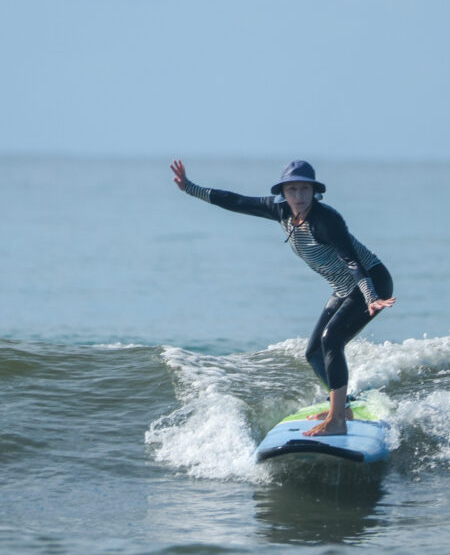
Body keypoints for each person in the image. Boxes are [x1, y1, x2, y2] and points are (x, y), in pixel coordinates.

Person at [169, 159, 395, 436]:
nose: (298, 197)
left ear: (314, 191)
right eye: (292, 190)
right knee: (314, 352)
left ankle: (336, 421)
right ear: (283, 193)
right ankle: (343, 408)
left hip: (370, 283)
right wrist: (190, 188)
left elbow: (351, 260)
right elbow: (237, 201)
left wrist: (371, 296)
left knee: (331, 340)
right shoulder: (280, 211)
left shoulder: (326, 221)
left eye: (304, 189)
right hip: (343, 288)